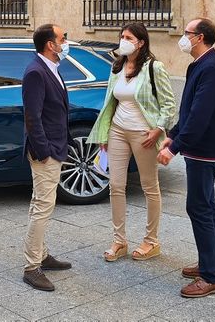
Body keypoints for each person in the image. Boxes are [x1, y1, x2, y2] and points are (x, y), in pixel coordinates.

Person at [157, 18, 215, 299]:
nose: (182, 37)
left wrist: (174, 148)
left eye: (186, 33)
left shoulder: (213, 68)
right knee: (207, 205)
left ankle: (210, 277)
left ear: (199, 37)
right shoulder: (198, 65)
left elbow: (201, 115)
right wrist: (174, 134)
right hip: (199, 147)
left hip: (206, 149)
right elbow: (188, 108)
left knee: (199, 207)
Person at [88, 22, 176, 262]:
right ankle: (119, 241)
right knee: (115, 185)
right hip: (117, 131)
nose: (123, 40)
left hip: (143, 135)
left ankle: (151, 241)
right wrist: (104, 134)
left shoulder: (153, 68)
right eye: (122, 36)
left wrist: (158, 129)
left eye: (128, 37)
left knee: (149, 187)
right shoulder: (117, 67)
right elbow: (110, 102)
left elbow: (169, 104)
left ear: (141, 42)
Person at [20, 23, 74, 292]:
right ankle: (32, 267)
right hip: (46, 152)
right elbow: (32, 117)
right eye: (63, 38)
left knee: (38, 203)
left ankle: (41, 254)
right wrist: (43, 152)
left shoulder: (51, 67)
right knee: (43, 207)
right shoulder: (36, 72)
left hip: (55, 146)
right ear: (50, 45)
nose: (66, 42)